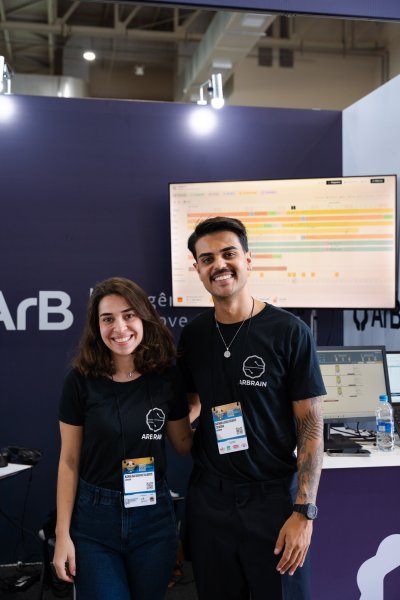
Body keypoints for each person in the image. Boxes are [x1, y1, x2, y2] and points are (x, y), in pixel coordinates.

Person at [178, 217, 326, 600]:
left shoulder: (289, 331)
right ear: (197, 269)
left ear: (248, 259)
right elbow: (192, 401)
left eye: (228, 254)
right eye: (207, 259)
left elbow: (311, 427)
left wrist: (304, 512)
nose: (219, 265)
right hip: (211, 500)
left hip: (272, 501)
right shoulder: (194, 336)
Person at [53, 276, 193, 600]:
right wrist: (62, 534)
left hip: (153, 518)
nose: (119, 328)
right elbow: (69, 461)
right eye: (108, 319)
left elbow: (183, 443)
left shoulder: (166, 377)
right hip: (95, 521)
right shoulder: (80, 381)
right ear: (96, 326)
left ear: (144, 317)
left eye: (128, 315)